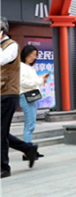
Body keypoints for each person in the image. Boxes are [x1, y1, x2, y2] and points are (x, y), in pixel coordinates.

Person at [1, 17, 39, 178]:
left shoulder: (12, 46)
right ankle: (28, 148)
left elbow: (2, 59)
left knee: (1, 132)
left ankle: (4, 168)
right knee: (1, 132)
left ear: (2, 31)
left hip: (9, 94)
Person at [19, 45, 50, 145]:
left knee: (31, 124)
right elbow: (23, 82)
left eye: (35, 55)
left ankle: (28, 149)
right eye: (31, 54)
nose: (33, 57)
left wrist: (41, 80)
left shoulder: (30, 68)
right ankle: (27, 150)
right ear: (25, 54)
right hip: (25, 97)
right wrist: (40, 80)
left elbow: (34, 83)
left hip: (32, 97)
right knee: (30, 125)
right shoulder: (20, 66)